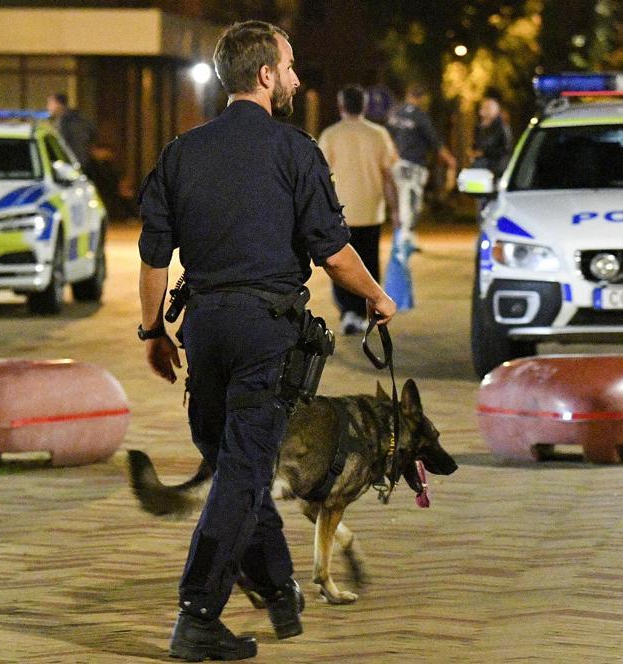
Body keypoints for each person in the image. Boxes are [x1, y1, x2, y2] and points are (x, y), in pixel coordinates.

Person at [137, 20, 396, 661]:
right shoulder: (294, 150)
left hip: (202, 330)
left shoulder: (179, 152)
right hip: (264, 333)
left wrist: (153, 333)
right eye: (289, 66)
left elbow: (152, 259)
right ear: (264, 75)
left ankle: (279, 590)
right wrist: (377, 296)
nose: (297, 78)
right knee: (243, 473)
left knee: (231, 461)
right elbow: (335, 255)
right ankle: (197, 616)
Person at [318, 85, 399, 335]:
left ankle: (348, 313)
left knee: (341, 264)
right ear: (364, 106)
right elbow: (388, 175)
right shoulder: (378, 134)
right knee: (368, 263)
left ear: (341, 106)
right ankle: (367, 311)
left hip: (339, 212)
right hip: (371, 211)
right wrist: (395, 209)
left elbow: (320, 176)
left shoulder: (330, 135)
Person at [385, 84, 457, 246]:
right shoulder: (420, 116)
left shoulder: (394, 113)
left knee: (403, 198)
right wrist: (449, 159)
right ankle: (405, 235)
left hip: (397, 163)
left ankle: (405, 233)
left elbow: (386, 137)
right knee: (411, 201)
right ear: (421, 98)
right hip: (414, 164)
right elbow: (435, 141)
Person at [46, 92, 96, 171]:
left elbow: (67, 143)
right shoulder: (76, 118)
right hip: (78, 163)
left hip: (73, 165)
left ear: (59, 104)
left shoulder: (69, 121)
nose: (48, 107)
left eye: (50, 104)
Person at [470, 89, 513, 179]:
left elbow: (505, 150)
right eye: (482, 108)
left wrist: (483, 153)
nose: (481, 112)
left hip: (497, 169)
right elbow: (476, 146)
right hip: (482, 170)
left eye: (486, 108)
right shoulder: (479, 128)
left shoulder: (502, 128)